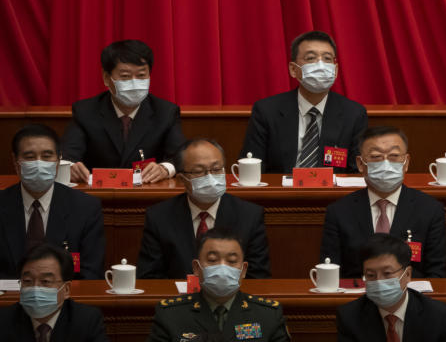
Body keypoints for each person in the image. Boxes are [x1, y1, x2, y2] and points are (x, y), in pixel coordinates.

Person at [321, 126, 446, 277]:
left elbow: (437, 273)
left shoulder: (430, 210)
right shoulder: (339, 212)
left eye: (394, 155)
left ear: (406, 163)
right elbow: (331, 272)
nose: (386, 164)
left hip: (411, 296)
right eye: (376, 157)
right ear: (361, 164)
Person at [137, 138, 270, 279]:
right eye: (199, 171)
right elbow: (150, 278)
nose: (210, 177)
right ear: (182, 179)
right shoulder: (159, 217)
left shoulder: (249, 215)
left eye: (216, 169)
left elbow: (258, 277)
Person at [241, 31, 368, 173]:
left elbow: (356, 171)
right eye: (311, 58)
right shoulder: (267, 110)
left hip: (332, 193)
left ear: (336, 70)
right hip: (281, 192)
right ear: (293, 69)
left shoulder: (354, 113)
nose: (320, 65)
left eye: (327, 58)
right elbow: (252, 166)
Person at [62, 39, 184, 184]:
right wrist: (70, 168)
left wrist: (165, 168)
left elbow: (180, 156)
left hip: (148, 193)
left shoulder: (165, 112)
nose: (134, 83)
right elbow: (68, 155)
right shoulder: (86, 111)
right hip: (98, 196)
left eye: (141, 76)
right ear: (107, 78)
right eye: (125, 76)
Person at [146, 227, 290, 342]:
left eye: (232, 261)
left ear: (243, 270)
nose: (222, 267)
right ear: (196, 268)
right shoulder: (170, 315)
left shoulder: (268, 315)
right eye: (213, 260)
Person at [0, 125, 104, 280]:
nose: (39, 163)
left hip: (65, 300)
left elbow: (91, 274)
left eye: (47, 156)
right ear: (15, 162)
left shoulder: (86, 208)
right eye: (29, 157)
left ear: (58, 161)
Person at [336, 234, 446, 341]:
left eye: (387, 273)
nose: (379, 281)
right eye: (371, 275)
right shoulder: (350, 317)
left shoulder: (438, 316)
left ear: (408, 274)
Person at [0, 243, 107, 342]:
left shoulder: (87, 321)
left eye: (45, 281)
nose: (35, 288)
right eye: (27, 281)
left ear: (66, 289)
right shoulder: (4, 320)